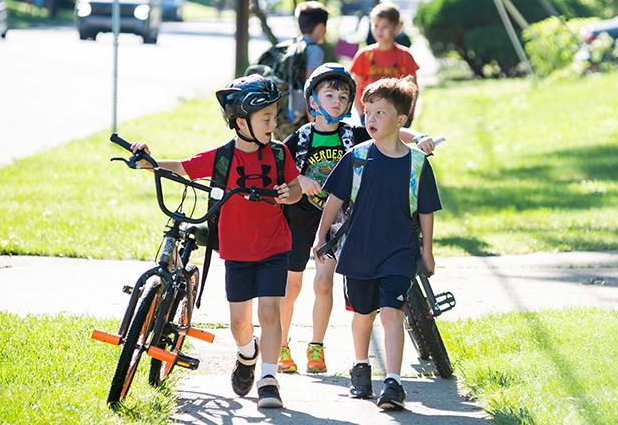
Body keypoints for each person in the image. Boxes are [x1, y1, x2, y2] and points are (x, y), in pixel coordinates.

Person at [129, 75, 302, 408]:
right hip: (236, 250)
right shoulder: (223, 157)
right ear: (240, 122)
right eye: (266, 117)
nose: (274, 122)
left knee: (269, 313)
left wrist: (289, 194)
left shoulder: (279, 154)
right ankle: (247, 354)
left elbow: (295, 188)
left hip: (274, 247)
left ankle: (268, 380)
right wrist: (148, 162)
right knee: (239, 323)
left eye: (274, 115)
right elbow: (182, 167)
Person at [277, 64, 435, 375]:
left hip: (339, 221)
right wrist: (299, 177)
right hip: (301, 217)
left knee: (323, 284)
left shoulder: (353, 134)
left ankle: (316, 347)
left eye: (343, 96)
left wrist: (419, 137)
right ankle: (282, 345)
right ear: (313, 101)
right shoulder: (302, 137)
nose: (337, 101)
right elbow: (277, 161)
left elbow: (393, 129)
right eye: (329, 95)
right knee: (292, 285)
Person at [313, 76, 442, 410]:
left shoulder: (417, 164)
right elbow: (335, 200)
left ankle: (394, 383)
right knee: (362, 315)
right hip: (358, 250)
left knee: (391, 314)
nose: (370, 119)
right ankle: (361, 366)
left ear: (401, 120)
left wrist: (427, 251)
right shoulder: (357, 157)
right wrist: (320, 236)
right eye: (367, 112)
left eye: (380, 113)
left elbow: (426, 210)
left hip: (399, 250)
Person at [350, 0, 420, 128]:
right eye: (376, 26)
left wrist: (408, 115)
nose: (379, 31)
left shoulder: (405, 56)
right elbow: (355, 87)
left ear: (397, 27)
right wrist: (361, 114)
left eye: (385, 27)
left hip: (395, 115)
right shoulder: (364, 55)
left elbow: (413, 89)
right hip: (370, 116)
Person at [273, 0, 329, 139]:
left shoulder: (290, 47)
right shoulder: (315, 50)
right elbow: (310, 87)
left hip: (281, 115)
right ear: (321, 27)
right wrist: (314, 122)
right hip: (299, 120)